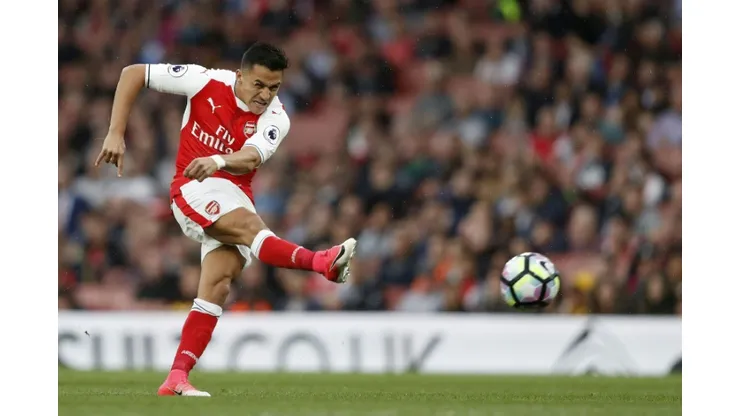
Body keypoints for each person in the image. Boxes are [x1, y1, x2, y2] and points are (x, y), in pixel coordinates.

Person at [95, 42, 357, 397]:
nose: (265, 95)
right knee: (252, 229)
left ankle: (176, 377)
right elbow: (133, 73)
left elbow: (251, 158)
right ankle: (321, 263)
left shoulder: (277, 117)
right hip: (191, 186)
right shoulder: (205, 81)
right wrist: (115, 132)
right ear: (240, 76)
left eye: (274, 87)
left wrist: (217, 160)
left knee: (218, 285)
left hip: (234, 194)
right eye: (258, 85)